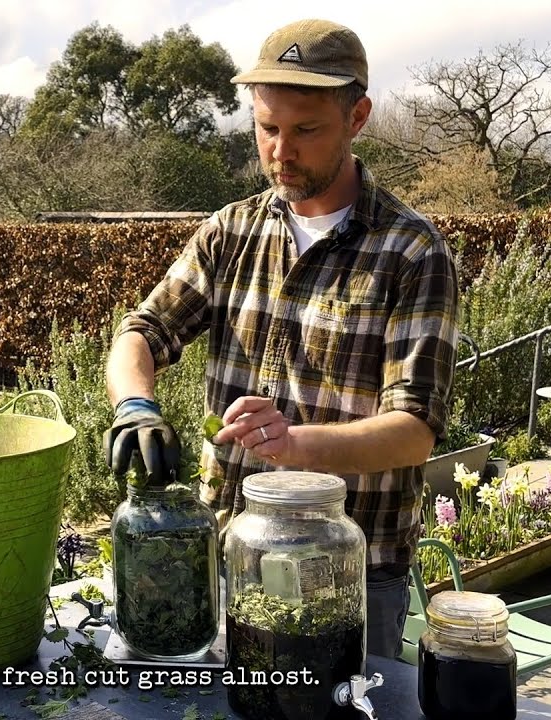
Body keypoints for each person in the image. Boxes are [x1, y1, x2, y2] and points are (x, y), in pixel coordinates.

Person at [103, 18, 459, 659]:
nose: (280, 151)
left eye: (305, 130)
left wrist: (296, 444)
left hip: (352, 570)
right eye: (267, 128)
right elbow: (141, 331)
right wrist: (135, 406)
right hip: (229, 548)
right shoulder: (228, 232)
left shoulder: (409, 250)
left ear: (357, 118)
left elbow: (414, 430)